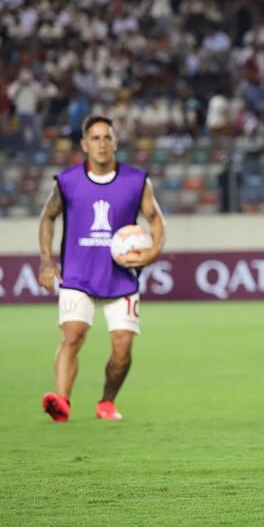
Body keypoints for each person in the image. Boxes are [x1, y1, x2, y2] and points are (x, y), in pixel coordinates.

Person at [38, 115, 167, 422]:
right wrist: (45, 260)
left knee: (122, 350)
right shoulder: (68, 181)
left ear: (116, 143)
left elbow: (156, 219)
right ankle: (62, 402)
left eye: (107, 137)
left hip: (121, 277)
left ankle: (106, 402)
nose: (101, 144)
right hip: (77, 275)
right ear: (84, 144)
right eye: (94, 138)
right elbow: (47, 216)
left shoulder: (136, 181)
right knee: (73, 334)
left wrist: (151, 252)